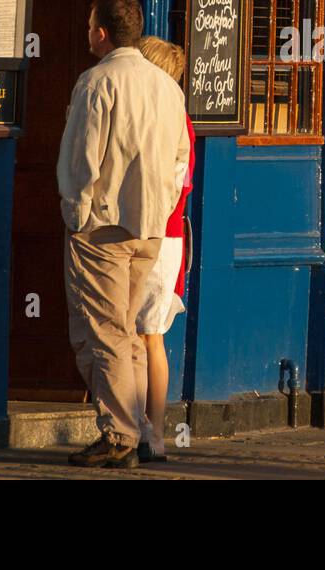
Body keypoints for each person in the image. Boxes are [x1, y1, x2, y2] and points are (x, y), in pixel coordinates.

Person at [57, 0, 189, 468]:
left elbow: (81, 160)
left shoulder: (97, 83)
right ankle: (137, 430)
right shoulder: (166, 87)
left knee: (103, 332)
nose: (88, 32)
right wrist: (160, 209)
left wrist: (77, 216)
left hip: (105, 227)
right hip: (150, 228)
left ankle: (120, 436)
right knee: (128, 333)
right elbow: (180, 160)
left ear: (102, 33)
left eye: (91, 25)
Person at [132, 35, 195, 462]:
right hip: (169, 235)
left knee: (144, 335)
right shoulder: (175, 117)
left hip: (158, 235)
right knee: (149, 336)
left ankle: (146, 427)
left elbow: (172, 185)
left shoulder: (167, 119)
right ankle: (150, 428)